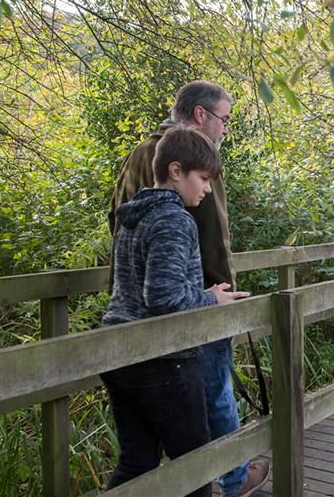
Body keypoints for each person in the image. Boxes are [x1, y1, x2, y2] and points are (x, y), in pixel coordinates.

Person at [109, 81, 270, 496]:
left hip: (126, 330)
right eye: (224, 120)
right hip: (186, 315)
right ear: (201, 115)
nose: (225, 130)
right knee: (210, 407)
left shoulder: (146, 158)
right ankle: (233, 479)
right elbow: (209, 241)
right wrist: (215, 297)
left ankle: (229, 476)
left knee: (139, 459)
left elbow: (119, 223)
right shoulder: (186, 166)